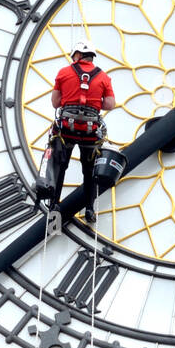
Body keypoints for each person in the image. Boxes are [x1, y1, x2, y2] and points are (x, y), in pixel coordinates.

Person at [49, 40, 116, 223]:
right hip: (89, 132)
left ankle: (54, 203)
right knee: (89, 171)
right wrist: (94, 104)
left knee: (60, 166)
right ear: (91, 57)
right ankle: (89, 209)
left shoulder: (64, 73)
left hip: (67, 131)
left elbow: (55, 103)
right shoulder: (103, 77)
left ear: (78, 55)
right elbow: (110, 104)